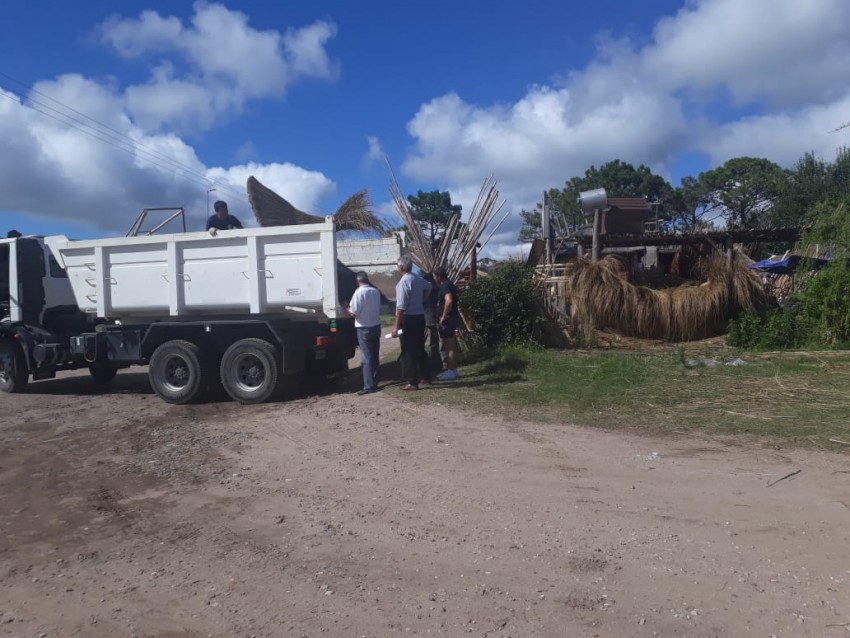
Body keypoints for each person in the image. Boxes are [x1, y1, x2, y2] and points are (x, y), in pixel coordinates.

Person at [392, 257, 431, 391]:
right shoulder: (417, 278)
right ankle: (426, 376)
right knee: (420, 348)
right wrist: (422, 300)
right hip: (420, 316)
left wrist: (396, 326)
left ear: (401, 268)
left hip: (409, 318)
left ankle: (412, 381)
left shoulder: (403, 283)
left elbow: (401, 307)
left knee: (409, 351)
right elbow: (429, 287)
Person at [345, 271, 382, 395]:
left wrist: (346, 308)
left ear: (357, 281)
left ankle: (368, 385)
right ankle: (374, 380)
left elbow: (354, 313)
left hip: (363, 327)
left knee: (366, 357)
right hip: (376, 326)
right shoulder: (375, 291)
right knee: (375, 355)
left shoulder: (358, 293)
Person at [433, 267, 460, 381]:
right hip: (450, 319)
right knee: (449, 345)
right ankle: (451, 369)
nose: (434, 279)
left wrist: (443, 316)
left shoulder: (444, 286)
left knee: (450, 346)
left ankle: (452, 371)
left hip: (447, 320)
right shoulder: (450, 284)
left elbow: (449, 300)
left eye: (434, 276)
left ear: (438, 277)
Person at [421, 272, 442, 372]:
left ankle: (434, 364)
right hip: (434, 316)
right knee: (435, 342)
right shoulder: (436, 287)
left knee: (431, 342)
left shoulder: (426, 288)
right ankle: (436, 363)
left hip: (427, 317)